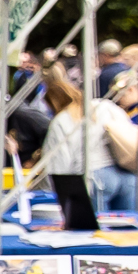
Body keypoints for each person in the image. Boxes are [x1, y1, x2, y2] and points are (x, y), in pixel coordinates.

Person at [37, 69, 98, 229]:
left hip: (84, 178)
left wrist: (56, 188)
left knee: (87, 231)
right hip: (117, 175)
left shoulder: (61, 120)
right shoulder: (93, 111)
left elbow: (59, 161)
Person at [93, 77, 138, 219]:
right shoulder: (119, 111)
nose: (118, 99)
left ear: (131, 89)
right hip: (130, 171)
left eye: (120, 94)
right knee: (130, 222)